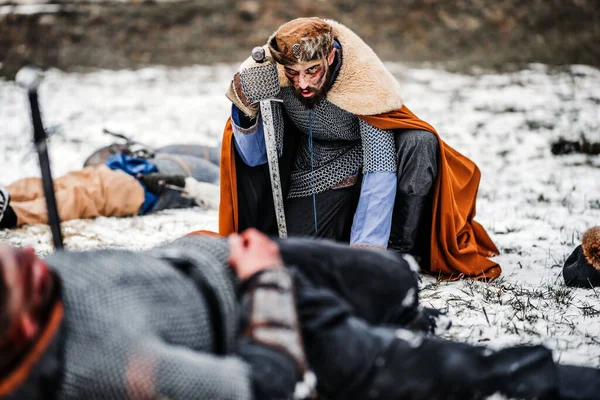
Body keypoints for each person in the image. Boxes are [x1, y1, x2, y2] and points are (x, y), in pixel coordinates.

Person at [1, 229, 599, 399]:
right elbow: (262, 384)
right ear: (23, 327)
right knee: (472, 374)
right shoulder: (105, 366)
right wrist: (263, 279)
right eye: (21, 272)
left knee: (390, 274)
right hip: (262, 308)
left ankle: (401, 316)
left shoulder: (28, 283)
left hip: (227, 256)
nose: (30, 259)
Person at [219, 17, 500, 280]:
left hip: (374, 159)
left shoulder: (363, 78)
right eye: (293, 73)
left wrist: (370, 255)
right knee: (294, 253)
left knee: (419, 141)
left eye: (312, 71)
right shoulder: (275, 75)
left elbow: (380, 167)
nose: (302, 83)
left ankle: (398, 253)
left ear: (329, 57)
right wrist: (246, 110)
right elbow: (258, 157)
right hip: (315, 169)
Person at [0, 144, 220, 230]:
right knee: (70, 189)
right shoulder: (212, 160)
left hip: (137, 187)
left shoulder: (216, 171)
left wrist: (184, 184)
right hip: (126, 175)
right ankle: (10, 201)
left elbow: (221, 197)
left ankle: (11, 206)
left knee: (76, 193)